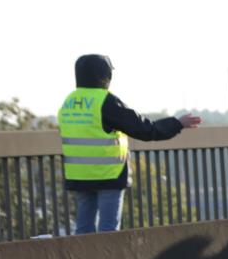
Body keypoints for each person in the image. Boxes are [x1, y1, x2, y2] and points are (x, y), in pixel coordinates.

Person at [58, 54, 201, 233]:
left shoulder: (69, 102)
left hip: (79, 176)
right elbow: (144, 129)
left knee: (83, 230)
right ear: (105, 75)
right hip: (108, 174)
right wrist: (177, 123)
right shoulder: (104, 101)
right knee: (108, 232)